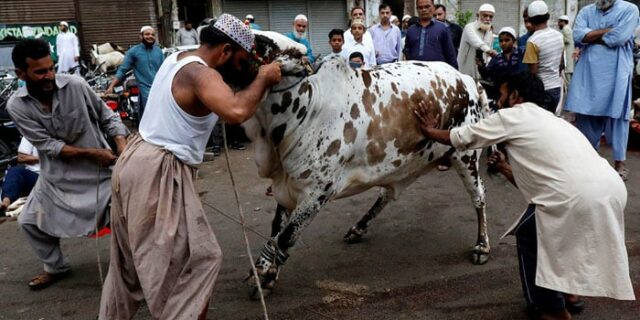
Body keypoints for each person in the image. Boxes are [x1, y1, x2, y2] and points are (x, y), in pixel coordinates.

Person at [98, 14, 281, 319]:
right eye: (239, 59)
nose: (240, 66)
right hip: (158, 169)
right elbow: (235, 111)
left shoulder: (178, 58)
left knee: (127, 267)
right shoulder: (202, 75)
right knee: (194, 263)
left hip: (136, 157)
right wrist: (263, 78)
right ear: (224, 51)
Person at [414, 72, 635, 320]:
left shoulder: (512, 116)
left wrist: (430, 130)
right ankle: (570, 295)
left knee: (530, 234)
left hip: (574, 195)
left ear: (516, 96)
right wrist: (505, 168)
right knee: (562, 235)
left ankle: (552, 309)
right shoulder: (554, 120)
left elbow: (462, 137)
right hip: (609, 188)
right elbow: (540, 185)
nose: (498, 101)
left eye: (502, 94)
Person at [7, 38, 129, 290]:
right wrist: (94, 153)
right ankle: (55, 267)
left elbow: (108, 117)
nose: (49, 75)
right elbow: (50, 147)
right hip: (56, 179)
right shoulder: (16, 105)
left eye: (51, 67)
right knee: (28, 221)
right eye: (40, 71)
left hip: (99, 176)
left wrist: (121, 147)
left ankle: (135, 266)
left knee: (128, 217)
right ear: (21, 73)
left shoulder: (76, 85)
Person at [565, 0, 639, 181]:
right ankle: (589, 162)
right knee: (586, 116)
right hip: (588, 74)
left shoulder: (630, 9)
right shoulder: (586, 11)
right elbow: (578, 35)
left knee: (618, 117)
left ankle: (619, 163)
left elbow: (619, 38)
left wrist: (591, 35)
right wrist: (608, 31)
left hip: (616, 73)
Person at [106, 26, 164, 122]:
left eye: (153, 34)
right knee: (152, 118)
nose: (150, 36)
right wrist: (111, 86)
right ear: (141, 36)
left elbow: (164, 70)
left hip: (159, 89)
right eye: (147, 34)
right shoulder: (133, 51)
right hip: (145, 90)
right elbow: (122, 70)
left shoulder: (158, 51)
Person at [522, 1, 564, 113]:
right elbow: (560, 65)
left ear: (530, 20)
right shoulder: (559, 36)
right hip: (556, 88)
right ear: (548, 17)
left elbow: (533, 73)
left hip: (542, 91)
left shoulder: (532, 41)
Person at [404, 0, 457, 69]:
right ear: (417, 9)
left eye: (427, 6)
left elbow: (450, 54)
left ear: (433, 8)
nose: (424, 10)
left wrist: (454, 72)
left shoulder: (443, 28)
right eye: (420, 7)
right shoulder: (411, 30)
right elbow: (407, 52)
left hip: (437, 73)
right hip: (415, 72)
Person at [477, 27, 525, 98]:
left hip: (520, 93)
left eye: (507, 40)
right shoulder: (496, 58)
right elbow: (486, 75)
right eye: (501, 41)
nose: (503, 43)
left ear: (514, 41)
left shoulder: (521, 53)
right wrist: (480, 66)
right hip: (501, 95)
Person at [0, 137, 39, 223]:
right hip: (36, 175)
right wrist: (43, 158)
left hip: (57, 176)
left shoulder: (63, 133)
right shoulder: (30, 134)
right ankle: (5, 204)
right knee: (14, 172)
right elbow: (21, 158)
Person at [457, 3, 497, 80]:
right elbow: (477, 43)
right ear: (477, 15)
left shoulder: (489, 32)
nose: (488, 19)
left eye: (490, 16)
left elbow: (488, 56)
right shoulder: (469, 27)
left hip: (480, 77)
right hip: (464, 75)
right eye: (485, 15)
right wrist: (490, 51)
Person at [558, 15, 575, 82]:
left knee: (568, 79)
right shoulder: (568, 28)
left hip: (568, 56)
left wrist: (559, 39)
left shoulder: (565, 29)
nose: (558, 24)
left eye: (559, 22)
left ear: (563, 22)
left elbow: (567, 40)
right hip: (569, 56)